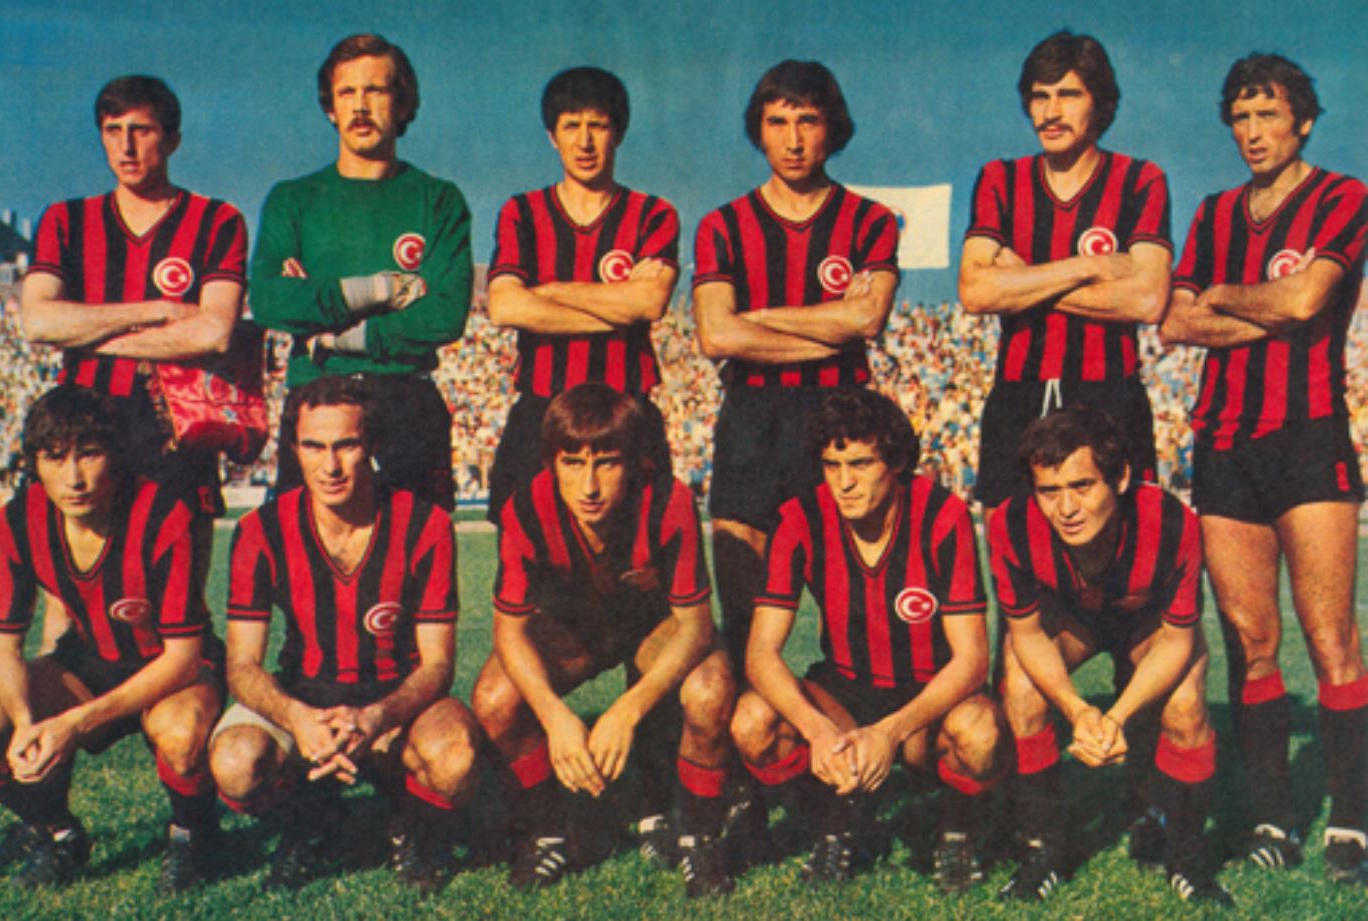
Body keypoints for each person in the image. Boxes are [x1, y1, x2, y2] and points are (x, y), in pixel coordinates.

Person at [1160, 53, 1368, 885]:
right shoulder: (1214, 213)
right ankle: (1273, 817)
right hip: (1225, 442)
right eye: (1241, 118)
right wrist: (1259, 308)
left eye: (1269, 115)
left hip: (1308, 436)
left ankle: (1352, 820)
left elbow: (1307, 300)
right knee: (1251, 642)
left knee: (1332, 639)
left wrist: (1223, 296)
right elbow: (1174, 321)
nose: (1252, 132)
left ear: (1303, 121)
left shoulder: (1343, 196)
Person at [208, 376, 478, 891]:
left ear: (372, 446)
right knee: (236, 763)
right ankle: (309, 822)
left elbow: (439, 663)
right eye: (314, 446)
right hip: (303, 694)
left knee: (455, 757)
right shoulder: (260, 531)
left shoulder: (425, 526)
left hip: (394, 698)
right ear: (294, 450)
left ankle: (412, 826)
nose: (329, 466)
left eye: (346, 445)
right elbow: (241, 665)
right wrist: (297, 717)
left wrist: (376, 716)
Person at [730, 388, 1005, 891]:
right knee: (752, 721)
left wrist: (891, 732)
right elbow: (761, 653)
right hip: (844, 692)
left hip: (928, 698)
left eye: (860, 463)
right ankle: (839, 823)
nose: (844, 482)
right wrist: (817, 730)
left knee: (980, 731)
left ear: (896, 462)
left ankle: (956, 833)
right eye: (832, 465)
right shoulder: (800, 518)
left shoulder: (942, 515)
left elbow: (971, 659)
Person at [470, 384, 736, 897]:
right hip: (573, 630)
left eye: (607, 464)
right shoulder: (526, 507)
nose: (589, 485)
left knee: (710, 689)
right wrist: (554, 717)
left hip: (653, 629)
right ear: (551, 463)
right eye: (572, 463)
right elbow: (509, 631)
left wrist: (626, 711)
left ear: (633, 462)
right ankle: (547, 830)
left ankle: (699, 834)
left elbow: (696, 626)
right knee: (495, 698)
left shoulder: (668, 500)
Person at [693, 60, 899, 664]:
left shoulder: (869, 220)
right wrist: (830, 327)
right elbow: (716, 334)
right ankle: (753, 720)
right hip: (751, 420)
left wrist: (757, 318)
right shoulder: (724, 225)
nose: (793, 139)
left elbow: (868, 320)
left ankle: (854, 714)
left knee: (858, 614)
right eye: (777, 122)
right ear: (758, 130)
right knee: (744, 620)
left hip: (841, 419)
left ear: (832, 128)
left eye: (807, 121)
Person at [990, 406, 1230, 906]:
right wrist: (1077, 709)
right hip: (1073, 622)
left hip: (1146, 625)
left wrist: (1116, 717)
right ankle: (1043, 847)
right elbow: (1027, 636)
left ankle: (1187, 856)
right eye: (1049, 491)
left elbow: (1178, 640)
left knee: (1186, 704)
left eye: (1082, 486)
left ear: (1120, 478)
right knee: (1021, 683)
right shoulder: (1012, 524)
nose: (1066, 508)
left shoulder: (1170, 522)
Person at [0, 386, 222, 893]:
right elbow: (2, 647)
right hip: (89, 660)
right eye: (55, 458)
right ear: (33, 462)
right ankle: (58, 833)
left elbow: (184, 656)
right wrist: (27, 723)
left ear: (115, 456)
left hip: (172, 667)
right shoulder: (16, 521)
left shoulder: (161, 513)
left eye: (90, 454)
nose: (73, 478)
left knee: (181, 734)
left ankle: (194, 836)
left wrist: (73, 723)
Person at [250, 33, 472, 509]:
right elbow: (269, 300)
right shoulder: (292, 200)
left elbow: (445, 315)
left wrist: (331, 332)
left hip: (407, 401)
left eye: (376, 90)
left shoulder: (438, 200)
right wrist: (377, 290)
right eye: (347, 92)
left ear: (404, 103)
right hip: (316, 399)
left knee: (417, 548)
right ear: (330, 107)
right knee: (306, 551)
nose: (360, 106)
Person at [958, 31, 1171, 523]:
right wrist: (1089, 267)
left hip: (1109, 391)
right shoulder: (1000, 180)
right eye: (1040, 96)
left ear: (1101, 102)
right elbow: (975, 291)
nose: (1051, 112)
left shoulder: (1140, 180)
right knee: (1012, 547)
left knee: (1119, 548)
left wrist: (1023, 282)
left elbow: (1147, 299)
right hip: (1017, 393)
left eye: (1069, 94)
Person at [21, 74, 246, 535]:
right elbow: (38, 321)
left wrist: (86, 337)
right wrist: (157, 310)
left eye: (141, 130)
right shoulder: (66, 220)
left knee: (179, 575)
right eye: (113, 130)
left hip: (175, 435)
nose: (126, 146)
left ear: (173, 140)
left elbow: (214, 333)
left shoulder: (217, 220)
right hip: (82, 429)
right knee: (76, 577)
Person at [485, 66, 678, 526]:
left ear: (619, 133)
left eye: (598, 125)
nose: (585, 141)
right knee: (526, 553)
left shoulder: (652, 213)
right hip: (541, 410)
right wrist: (619, 303)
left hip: (627, 411)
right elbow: (505, 305)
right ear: (552, 136)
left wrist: (548, 293)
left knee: (638, 559)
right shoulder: (522, 212)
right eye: (571, 126)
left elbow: (649, 304)